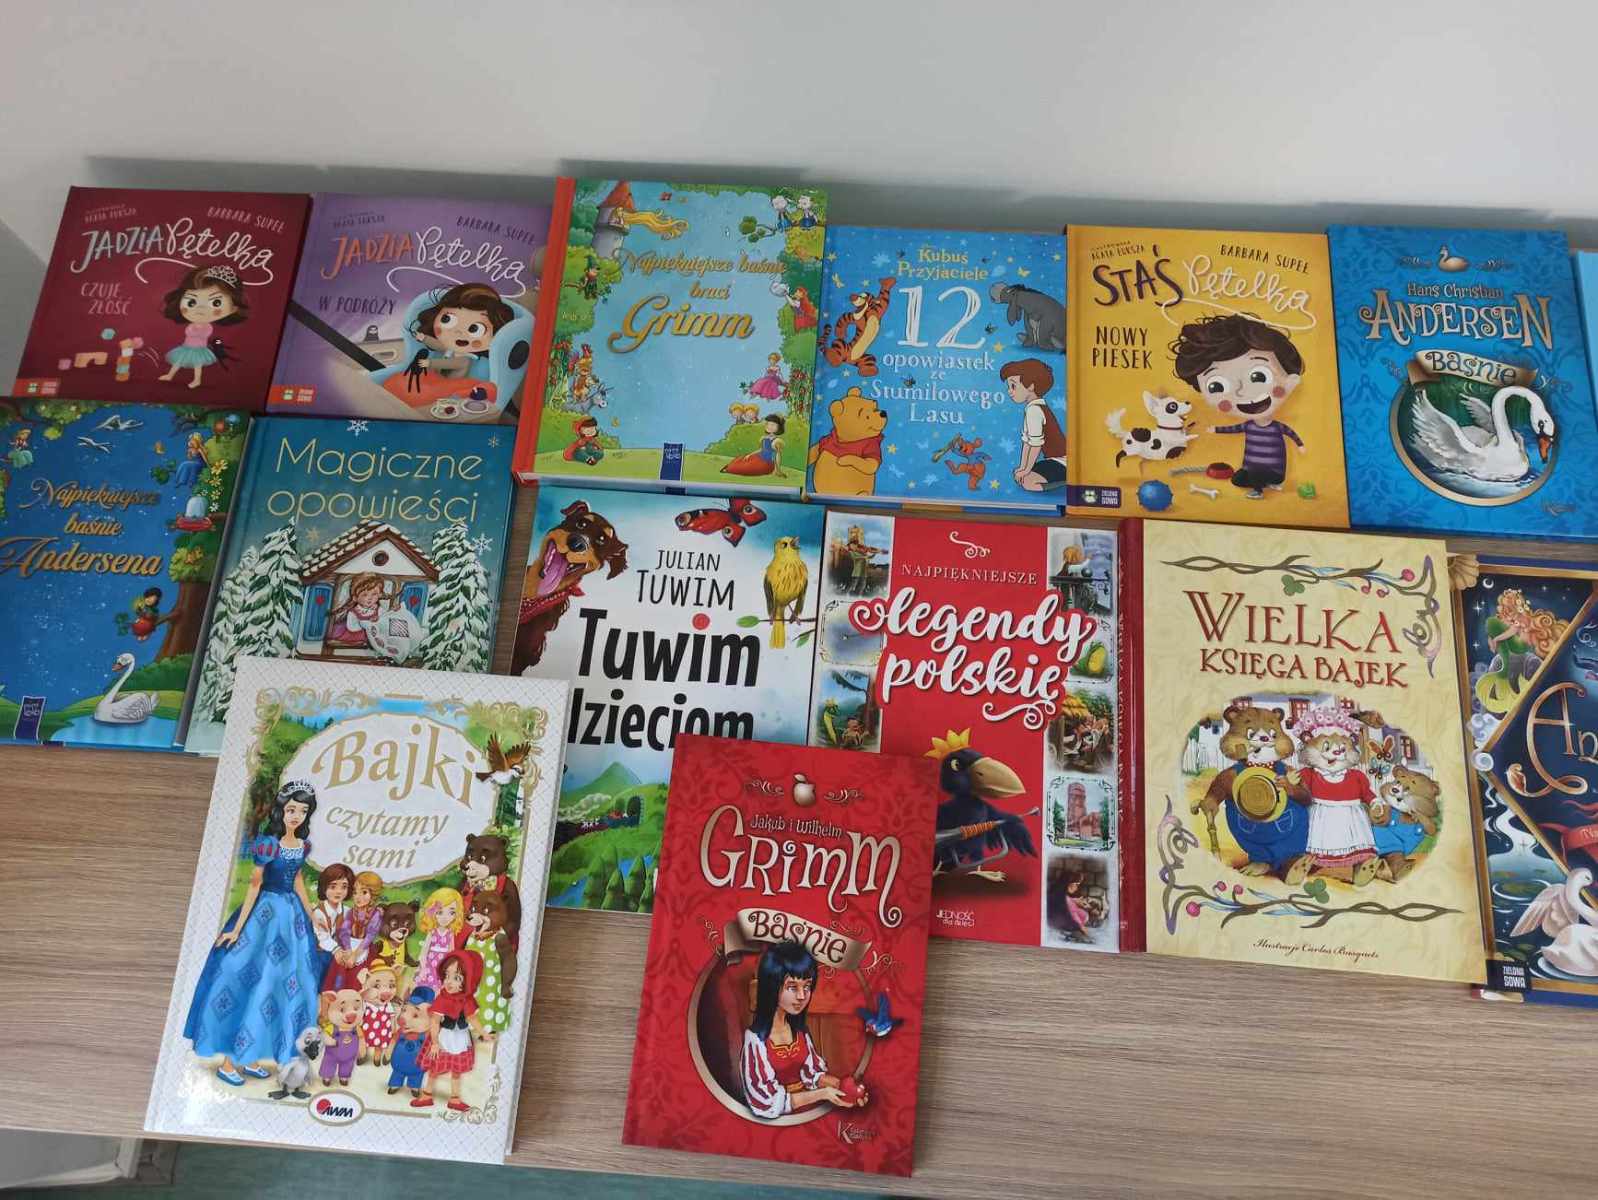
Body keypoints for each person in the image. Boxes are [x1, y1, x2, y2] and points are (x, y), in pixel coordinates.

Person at [182, 780, 322, 1087]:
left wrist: (312, 914)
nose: (296, 816)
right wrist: (237, 929)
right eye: (291, 810)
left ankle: (252, 1057)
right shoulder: (268, 844)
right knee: (248, 981)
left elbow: (298, 880)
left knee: (279, 985)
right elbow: (255, 884)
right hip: (264, 915)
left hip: (291, 919)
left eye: (302, 811)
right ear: (281, 811)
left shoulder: (302, 845)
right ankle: (229, 1062)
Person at [1179, 314, 1307, 498]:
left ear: (1291, 381)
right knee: (1239, 479)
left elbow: (1291, 433)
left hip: (1275, 471)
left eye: (1259, 376)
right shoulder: (1248, 425)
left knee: (1254, 477)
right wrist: (1215, 429)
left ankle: (1259, 490)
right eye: (1216, 386)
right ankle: (1261, 483)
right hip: (1252, 468)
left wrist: (1301, 446)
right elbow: (1233, 429)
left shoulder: (1277, 427)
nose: (1240, 392)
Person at [739, 939, 866, 1119]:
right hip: (780, 1121)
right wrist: (822, 1094)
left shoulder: (800, 1032)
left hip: (808, 1111)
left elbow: (812, 1074)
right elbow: (765, 1103)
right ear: (772, 987)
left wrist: (845, 1089)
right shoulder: (755, 1040)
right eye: (792, 987)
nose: (801, 996)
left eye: (807, 986)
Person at [158, 265, 248, 389]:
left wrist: (196, 329)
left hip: (199, 349)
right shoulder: (193, 324)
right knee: (177, 362)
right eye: (192, 302)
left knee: (197, 366)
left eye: (216, 303)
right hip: (186, 347)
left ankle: (197, 380)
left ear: (233, 309)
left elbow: (202, 335)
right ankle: (170, 375)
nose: (201, 308)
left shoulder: (207, 327)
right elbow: (189, 333)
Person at [1001, 358, 1067, 491]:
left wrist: (1026, 470)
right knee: (1021, 475)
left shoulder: (1035, 410)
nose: (1009, 391)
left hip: (1062, 461)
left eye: (1013, 386)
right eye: (1009, 387)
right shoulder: (1033, 407)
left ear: (1031, 386)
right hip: (1054, 460)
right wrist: (1023, 467)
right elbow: (1027, 442)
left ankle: (1066, 481)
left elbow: (1036, 445)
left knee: (1027, 482)